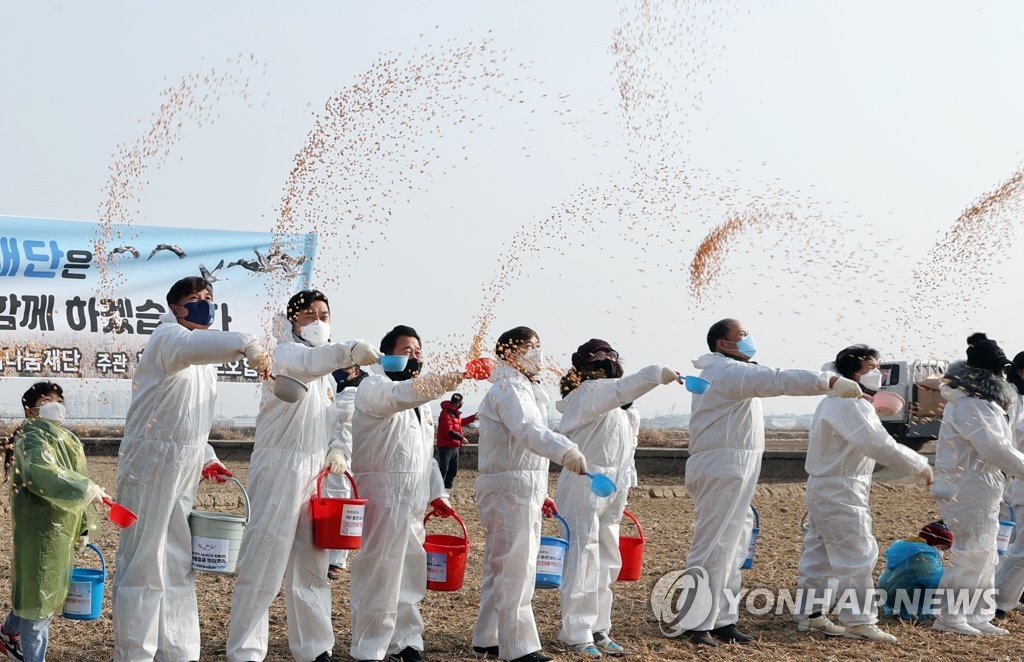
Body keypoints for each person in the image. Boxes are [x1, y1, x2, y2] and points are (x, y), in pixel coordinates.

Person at [113, 276, 271, 662]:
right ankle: (134, 653)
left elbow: (188, 419)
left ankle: (178, 652)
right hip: (148, 464)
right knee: (144, 561)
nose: (204, 304)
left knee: (178, 561)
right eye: (195, 299)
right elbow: (193, 348)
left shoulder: (203, 362)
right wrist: (246, 343)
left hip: (182, 465)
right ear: (175, 308)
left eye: (209, 298)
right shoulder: (168, 340)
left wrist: (208, 457)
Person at [681, 318, 862, 647]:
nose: (750, 340)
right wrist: (829, 381)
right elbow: (778, 379)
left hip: (734, 465)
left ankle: (722, 619)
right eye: (743, 335)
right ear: (723, 344)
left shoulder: (728, 372)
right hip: (723, 464)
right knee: (715, 544)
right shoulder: (727, 372)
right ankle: (695, 622)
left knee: (733, 545)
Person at [227, 290, 381, 662]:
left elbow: (333, 420)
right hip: (279, 469)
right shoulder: (283, 353)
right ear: (292, 320)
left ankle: (315, 648)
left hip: (314, 474)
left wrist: (338, 448)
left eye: (323, 314)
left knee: (311, 565)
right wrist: (349, 349)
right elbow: (312, 359)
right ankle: (246, 650)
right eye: (308, 315)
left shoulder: (327, 382)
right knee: (264, 561)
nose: (317, 321)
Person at [796, 345, 933, 642]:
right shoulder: (850, 404)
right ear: (854, 370)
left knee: (819, 553)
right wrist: (921, 466)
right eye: (873, 367)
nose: (879, 374)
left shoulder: (833, 401)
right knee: (857, 553)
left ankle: (811, 615)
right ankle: (858, 621)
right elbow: (879, 445)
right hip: (842, 487)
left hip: (824, 484)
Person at [554, 338, 681, 658]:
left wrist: (627, 482)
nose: (608, 358)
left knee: (607, 558)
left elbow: (628, 447)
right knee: (582, 557)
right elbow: (625, 387)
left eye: (611, 353)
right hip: (585, 480)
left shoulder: (623, 408)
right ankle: (577, 632)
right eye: (600, 354)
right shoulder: (587, 393)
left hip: (614, 484)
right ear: (584, 364)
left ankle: (600, 627)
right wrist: (656, 373)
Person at [471, 326, 588, 662]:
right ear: (509, 352)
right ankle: (519, 648)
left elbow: (522, 448)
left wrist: (541, 492)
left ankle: (488, 638)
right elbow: (528, 431)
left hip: (517, 487)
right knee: (516, 569)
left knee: (501, 565)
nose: (537, 352)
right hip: (510, 490)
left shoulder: (521, 387)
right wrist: (565, 450)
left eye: (539, 345)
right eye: (530, 346)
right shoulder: (509, 387)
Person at [348, 325, 463, 662]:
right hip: (383, 491)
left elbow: (424, 455)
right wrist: (450, 378)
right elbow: (400, 396)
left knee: (411, 570)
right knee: (379, 570)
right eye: (406, 350)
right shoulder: (374, 388)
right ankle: (370, 647)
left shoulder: (422, 405)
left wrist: (437, 493)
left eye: (418, 351)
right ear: (387, 356)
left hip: (412, 496)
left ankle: (407, 642)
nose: (414, 356)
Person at [0, 382, 107, 662]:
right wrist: (86, 489)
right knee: (38, 603)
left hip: (61, 531)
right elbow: (42, 473)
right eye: (47, 400)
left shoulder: (68, 440)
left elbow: (76, 473)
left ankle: (7, 632)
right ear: (29, 409)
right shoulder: (31, 438)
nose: (55, 405)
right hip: (38, 531)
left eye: (58, 400)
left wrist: (82, 526)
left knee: (40, 594)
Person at [931, 333, 1024, 635]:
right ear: (989, 372)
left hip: (983, 484)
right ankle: (950, 617)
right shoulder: (971, 405)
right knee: (969, 551)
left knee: (984, 552)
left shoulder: (984, 403)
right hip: (966, 485)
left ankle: (978, 614)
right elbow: (994, 447)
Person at [326, 364, 369, 580]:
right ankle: (330, 555)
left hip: (347, 457)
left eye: (346, 366)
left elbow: (345, 429)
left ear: (357, 371)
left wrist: (339, 450)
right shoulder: (333, 390)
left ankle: (335, 559)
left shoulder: (358, 395)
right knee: (330, 505)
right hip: (330, 454)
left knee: (341, 505)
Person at [995, 350, 1024, 617]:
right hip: (1013, 474)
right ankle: (999, 600)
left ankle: (1007, 596)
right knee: (1013, 545)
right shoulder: (1010, 396)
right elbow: (1011, 438)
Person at [878, 521, 952, 620]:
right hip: (902, 597)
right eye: (942, 548)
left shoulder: (907, 547)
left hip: (888, 594)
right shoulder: (922, 556)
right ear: (933, 542)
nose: (942, 552)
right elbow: (936, 582)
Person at [435, 393, 477, 490]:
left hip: (454, 446)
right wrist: (461, 438)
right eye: (460, 402)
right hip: (446, 446)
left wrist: (474, 417)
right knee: (443, 468)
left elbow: (461, 422)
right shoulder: (445, 413)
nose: (461, 403)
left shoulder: (455, 413)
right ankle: (439, 489)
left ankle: (448, 488)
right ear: (458, 403)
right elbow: (449, 430)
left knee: (453, 470)